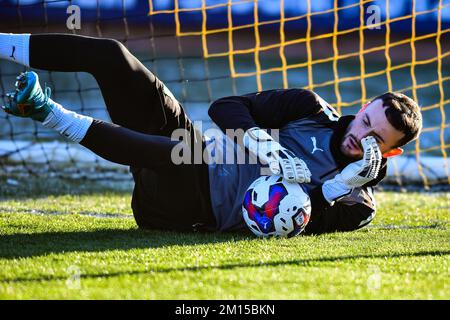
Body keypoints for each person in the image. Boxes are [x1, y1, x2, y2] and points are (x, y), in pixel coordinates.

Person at [0, 33, 423, 235]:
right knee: (115, 57)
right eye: (366, 120)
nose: (360, 135)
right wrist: (265, 145)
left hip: (189, 210)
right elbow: (225, 107)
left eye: (376, 139)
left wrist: (334, 187)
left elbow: (301, 225)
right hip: (190, 152)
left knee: (186, 155)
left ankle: (46, 111)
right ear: (364, 106)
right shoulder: (310, 108)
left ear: (391, 154)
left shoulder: (358, 204)